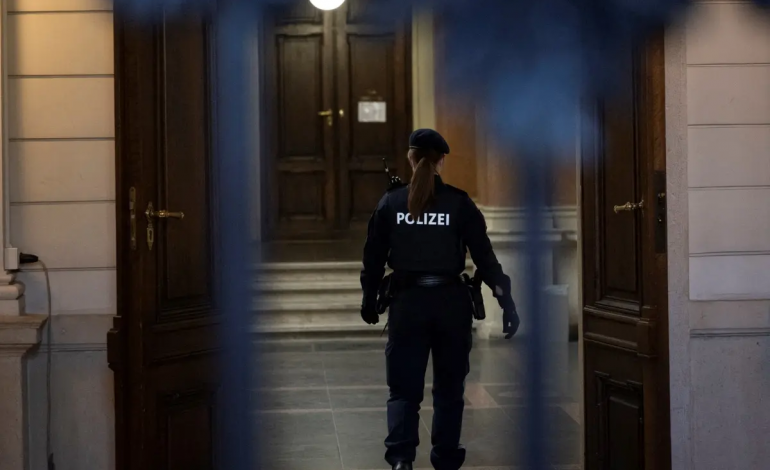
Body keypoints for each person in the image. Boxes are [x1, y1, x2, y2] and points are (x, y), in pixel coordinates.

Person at [360, 129, 520, 470]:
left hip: (408, 305)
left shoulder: (391, 202)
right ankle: (446, 459)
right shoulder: (459, 203)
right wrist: (506, 301)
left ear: (411, 158)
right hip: (451, 306)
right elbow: (485, 258)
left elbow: (373, 257)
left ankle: (401, 460)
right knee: (449, 389)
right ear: (441, 161)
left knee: (403, 390)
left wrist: (368, 296)